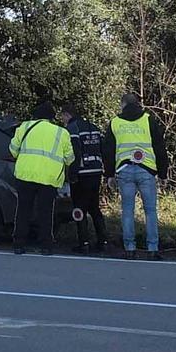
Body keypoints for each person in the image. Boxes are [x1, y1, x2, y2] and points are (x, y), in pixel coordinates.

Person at [104, 93, 169, 260]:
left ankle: (129, 248)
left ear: (123, 104)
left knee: (127, 210)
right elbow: (159, 147)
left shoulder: (115, 122)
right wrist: (163, 173)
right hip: (146, 169)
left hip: (124, 169)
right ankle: (152, 248)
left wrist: (109, 174)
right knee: (150, 211)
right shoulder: (148, 119)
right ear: (138, 104)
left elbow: (108, 151)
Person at [9, 101, 74, 255]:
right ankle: (46, 245)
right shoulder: (61, 132)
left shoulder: (24, 127)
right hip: (49, 177)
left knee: (23, 210)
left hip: (25, 174)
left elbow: (13, 150)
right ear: (52, 117)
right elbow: (69, 158)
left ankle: (19, 244)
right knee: (45, 212)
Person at [60, 102, 109, 254]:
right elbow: (103, 149)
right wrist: (107, 171)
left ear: (67, 115)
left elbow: (75, 152)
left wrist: (72, 174)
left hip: (81, 174)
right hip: (96, 172)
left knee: (79, 208)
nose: (62, 120)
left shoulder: (72, 129)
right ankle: (103, 241)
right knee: (94, 207)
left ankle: (84, 243)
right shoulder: (93, 127)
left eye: (62, 117)